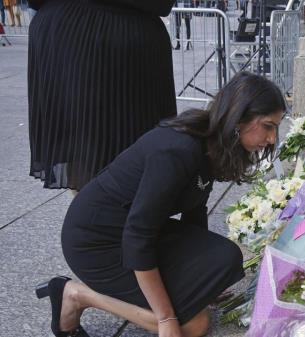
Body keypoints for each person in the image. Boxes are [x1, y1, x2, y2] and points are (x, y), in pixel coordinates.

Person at [35, 72, 286, 337]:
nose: (272, 138)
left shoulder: (209, 142)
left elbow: (195, 210)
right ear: (239, 117)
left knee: (224, 259)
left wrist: (203, 281)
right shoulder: (177, 150)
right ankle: (75, 295)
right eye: (268, 126)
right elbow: (138, 235)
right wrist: (166, 317)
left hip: (130, 229)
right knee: (194, 325)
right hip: (95, 242)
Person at [27, 0, 177, 191]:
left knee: (85, 143)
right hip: (116, 31)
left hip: (65, 26)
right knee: (118, 146)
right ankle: (96, 213)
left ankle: (91, 211)